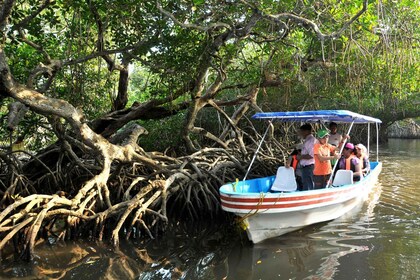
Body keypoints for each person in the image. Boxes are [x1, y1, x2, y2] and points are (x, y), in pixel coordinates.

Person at [296, 124, 316, 191]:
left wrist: (301, 157)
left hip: (309, 166)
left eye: (301, 131)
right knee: (306, 183)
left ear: (306, 131)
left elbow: (311, 155)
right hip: (306, 167)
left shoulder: (310, 141)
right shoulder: (308, 140)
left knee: (308, 186)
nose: (301, 133)